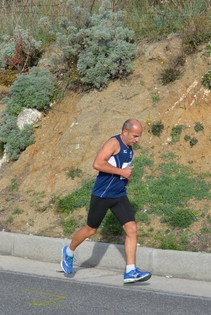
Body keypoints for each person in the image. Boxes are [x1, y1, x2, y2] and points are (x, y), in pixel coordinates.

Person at [61, 118, 152, 284]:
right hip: (102, 194)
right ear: (125, 132)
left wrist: (125, 178)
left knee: (131, 228)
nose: (137, 140)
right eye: (135, 136)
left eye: (139, 136)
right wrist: (121, 172)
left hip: (118, 194)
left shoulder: (129, 147)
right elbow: (97, 163)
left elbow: (122, 166)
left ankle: (130, 271)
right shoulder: (114, 143)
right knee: (90, 230)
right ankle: (69, 251)